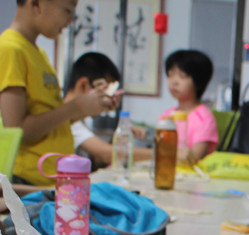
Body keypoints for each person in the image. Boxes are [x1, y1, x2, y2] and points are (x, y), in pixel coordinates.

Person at [0, 0, 118, 185]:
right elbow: (17, 128)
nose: (71, 20)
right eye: (67, 11)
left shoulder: (39, 54)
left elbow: (51, 121)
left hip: (48, 179)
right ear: (36, 4)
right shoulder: (10, 49)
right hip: (27, 180)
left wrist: (88, 108)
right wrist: (75, 107)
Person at [63, 52, 152, 168]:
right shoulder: (66, 120)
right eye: (104, 93)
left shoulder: (80, 120)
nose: (108, 101)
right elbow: (105, 154)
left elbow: (98, 160)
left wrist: (119, 138)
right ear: (83, 85)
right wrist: (162, 154)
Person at [158, 49, 217, 164]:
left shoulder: (204, 117)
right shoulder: (166, 115)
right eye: (170, 75)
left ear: (198, 81)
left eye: (182, 76)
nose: (174, 82)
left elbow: (195, 157)